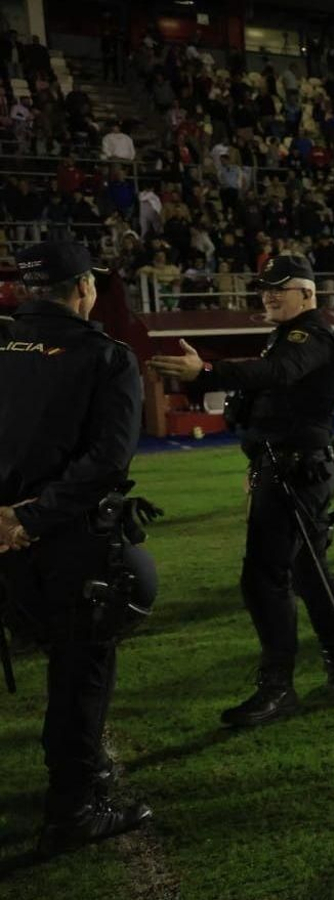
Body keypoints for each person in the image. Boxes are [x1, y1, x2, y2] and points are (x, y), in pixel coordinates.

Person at [148, 255, 334, 726]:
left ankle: (279, 688)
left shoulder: (309, 336)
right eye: (264, 288)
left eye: (279, 288)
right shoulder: (288, 337)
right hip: (288, 468)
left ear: (308, 293)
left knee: (265, 578)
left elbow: (278, 375)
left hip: (297, 471)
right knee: (308, 572)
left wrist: (206, 373)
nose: (268, 295)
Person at [0, 241, 153, 851]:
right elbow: (108, 460)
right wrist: (32, 516)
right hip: (63, 540)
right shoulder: (104, 355)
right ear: (84, 288)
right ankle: (74, 808)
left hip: (6, 544)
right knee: (80, 670)